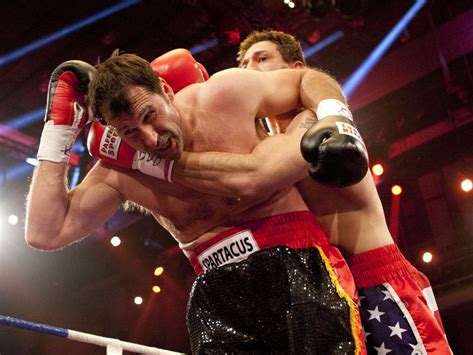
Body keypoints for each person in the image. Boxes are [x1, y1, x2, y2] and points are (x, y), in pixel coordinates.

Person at [25, 49, 366, 353]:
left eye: (149, 115)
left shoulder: (222, 96)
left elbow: (307, 79)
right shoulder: (119, 171)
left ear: (167, 92)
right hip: (218, 295)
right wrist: (58, 133)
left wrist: (337, 116)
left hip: (299, 264)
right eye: (129, 132)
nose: (151, 138)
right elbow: (46, 232)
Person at [170, 30, 452, 354]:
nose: (250, 69)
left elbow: (251, 178)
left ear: (295, 67)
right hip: (323, 286)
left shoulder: (314, 123)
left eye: (262, 59)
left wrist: (152, 160)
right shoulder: (262, 141)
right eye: (245, 63)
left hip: (376, 281)